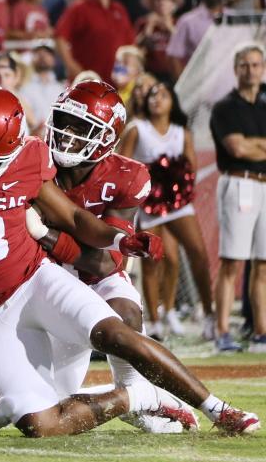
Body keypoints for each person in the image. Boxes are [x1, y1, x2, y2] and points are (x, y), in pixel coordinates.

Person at [0, 85, 259, 436]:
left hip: (39, 280)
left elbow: (76, 219)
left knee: (118, 332)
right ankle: (135, 395)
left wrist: (122, 238)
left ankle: (218, 409)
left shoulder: (27, 158)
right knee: (40, 423)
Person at [38, 79, 195, 433]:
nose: (66, 135)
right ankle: (135, 397)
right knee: (47, 403)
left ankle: (136, 394)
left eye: (82, 128)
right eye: (64, 122)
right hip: (44, 282)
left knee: (125, 311)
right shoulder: (35, 161)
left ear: (106, 136)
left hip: (95, 277)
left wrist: (44, 234)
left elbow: (104, 262)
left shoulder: (126, 175)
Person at [117, 81, 215, 344]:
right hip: (149, 204)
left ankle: (209, 316)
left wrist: (175, 180)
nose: (156, 99)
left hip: (178, 203)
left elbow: (191, 167)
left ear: (173, 100)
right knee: (152, 258)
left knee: (198, 253)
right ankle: (156, 322)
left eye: (163, 95)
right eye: (152, 95)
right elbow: (122, 165)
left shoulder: (182, 132)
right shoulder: (137, 129)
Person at [210, 43, 266, 353]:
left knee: (263, 264)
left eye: (256, 64)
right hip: (239, 182)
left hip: (264, 183)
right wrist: (254, 147)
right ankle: (222, 331)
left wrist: (253, 145)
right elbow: (237, 149)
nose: (251, 70)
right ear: (236, 70)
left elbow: (247, 146)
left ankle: (261, 331)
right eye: (245, 65)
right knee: (232, 262)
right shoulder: (225, 107)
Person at [55, 0, 135, 81]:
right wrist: (73, 68)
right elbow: (59, 38)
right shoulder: (79, 8)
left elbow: (130, 44)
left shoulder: (119, 9)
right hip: (87, 83)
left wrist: (128, 70)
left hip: (117, 82)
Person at [167, 0, 226, 79]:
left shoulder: (235, 19)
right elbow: (173, 56)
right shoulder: (187, 21)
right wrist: (183, 88)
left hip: (230, 84)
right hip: (199, 85)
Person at [135, 0, 178, 82]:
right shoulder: (142, 23)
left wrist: (170, 28)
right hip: (150, 75)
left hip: (175, 74)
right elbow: (135, 50)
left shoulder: (179, 23)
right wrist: (148, 28)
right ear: (151, 4)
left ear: (172, 4)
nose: (161, 2)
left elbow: (185, 48)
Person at [18, 41, 64, 121]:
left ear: (54, 60)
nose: (43, 57)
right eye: (38, 54)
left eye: (47, 54)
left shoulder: (61, 88)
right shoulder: (23, 87)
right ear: (32, 59)